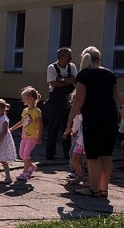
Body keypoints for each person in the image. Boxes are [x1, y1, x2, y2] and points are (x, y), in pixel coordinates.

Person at [65, 46, 119, 198]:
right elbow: (116, 99)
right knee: (106, 154)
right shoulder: (110, 74)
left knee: (93, 154)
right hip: (110, 117)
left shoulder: (84, 75)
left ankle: (93, 188)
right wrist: (117, 117)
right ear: (99, 59)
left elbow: (79, 99)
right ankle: (104, 189)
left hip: (93, 117)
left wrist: (70, 120)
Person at [45, 47, 78, 159]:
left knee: (68, 125)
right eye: (69, 56)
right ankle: (50, 153)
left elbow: (75, 80)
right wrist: (68, 81)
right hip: (56, 100)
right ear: (61, 57)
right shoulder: (52, 67)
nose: (71, 58)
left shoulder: (72, 66)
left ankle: (67, 153)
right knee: (53, 126)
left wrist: (61, 79)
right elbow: (53, 83)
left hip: (69, 100)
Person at [10, 86, 42, 181]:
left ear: (31, 99)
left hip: (33, 136)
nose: (22, 99)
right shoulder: (25, 111)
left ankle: (25, 173)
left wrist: (39, 137)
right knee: (21, 154)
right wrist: (12, 128)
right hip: (24, 136)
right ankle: (32, 166)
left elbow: (40, 125)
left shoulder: (37, 111)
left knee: (26, 154)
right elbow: (21, 122)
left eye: (24, 97)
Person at [65, 111, 85, 185]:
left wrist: (77, 131)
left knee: (87, 158)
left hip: (84, 137)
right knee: (73, 155)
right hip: (79, 138)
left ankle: (85, 176)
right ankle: (79, 175)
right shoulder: (75, 114)